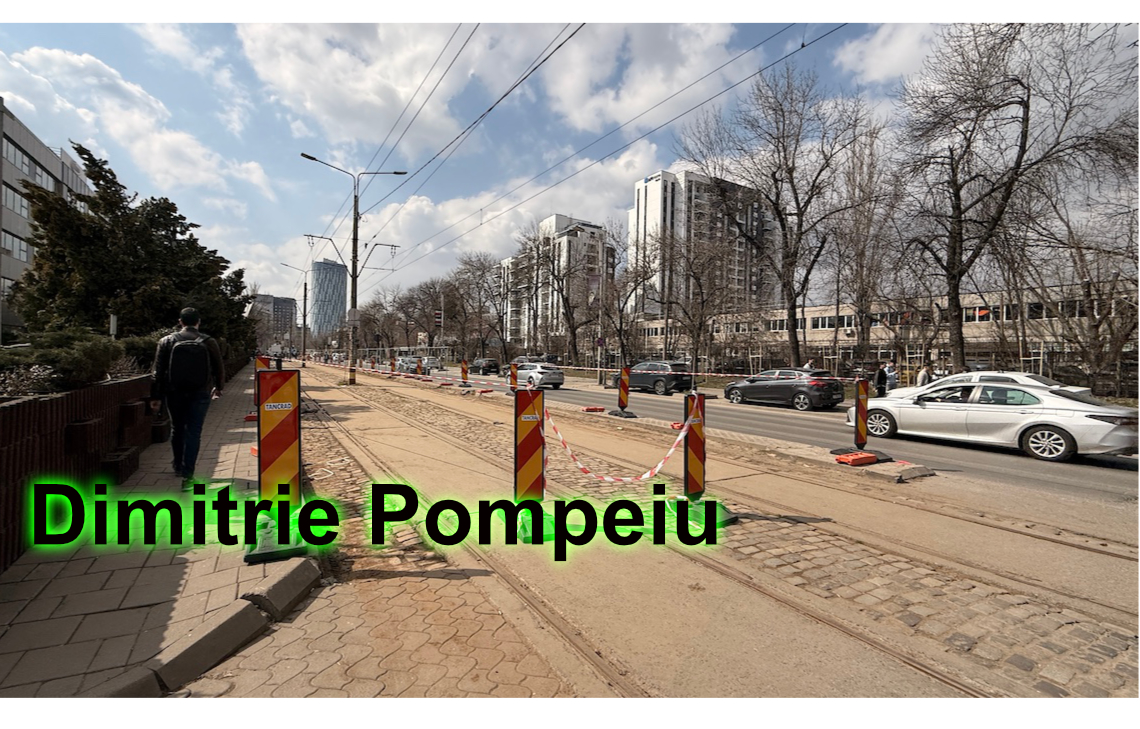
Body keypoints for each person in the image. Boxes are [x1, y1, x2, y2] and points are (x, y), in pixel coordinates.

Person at [153, 307, 225, 486]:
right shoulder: (208, 341)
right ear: (198, 322)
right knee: (194, 431)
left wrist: (155, 396)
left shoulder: (166, 341)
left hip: (174, 392)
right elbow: (219, 367)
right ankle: (188, 475)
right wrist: (218, 387)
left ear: (180, 322)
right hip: (200, 392)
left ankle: (178, 465)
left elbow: (157, 372)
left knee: (177, 428)